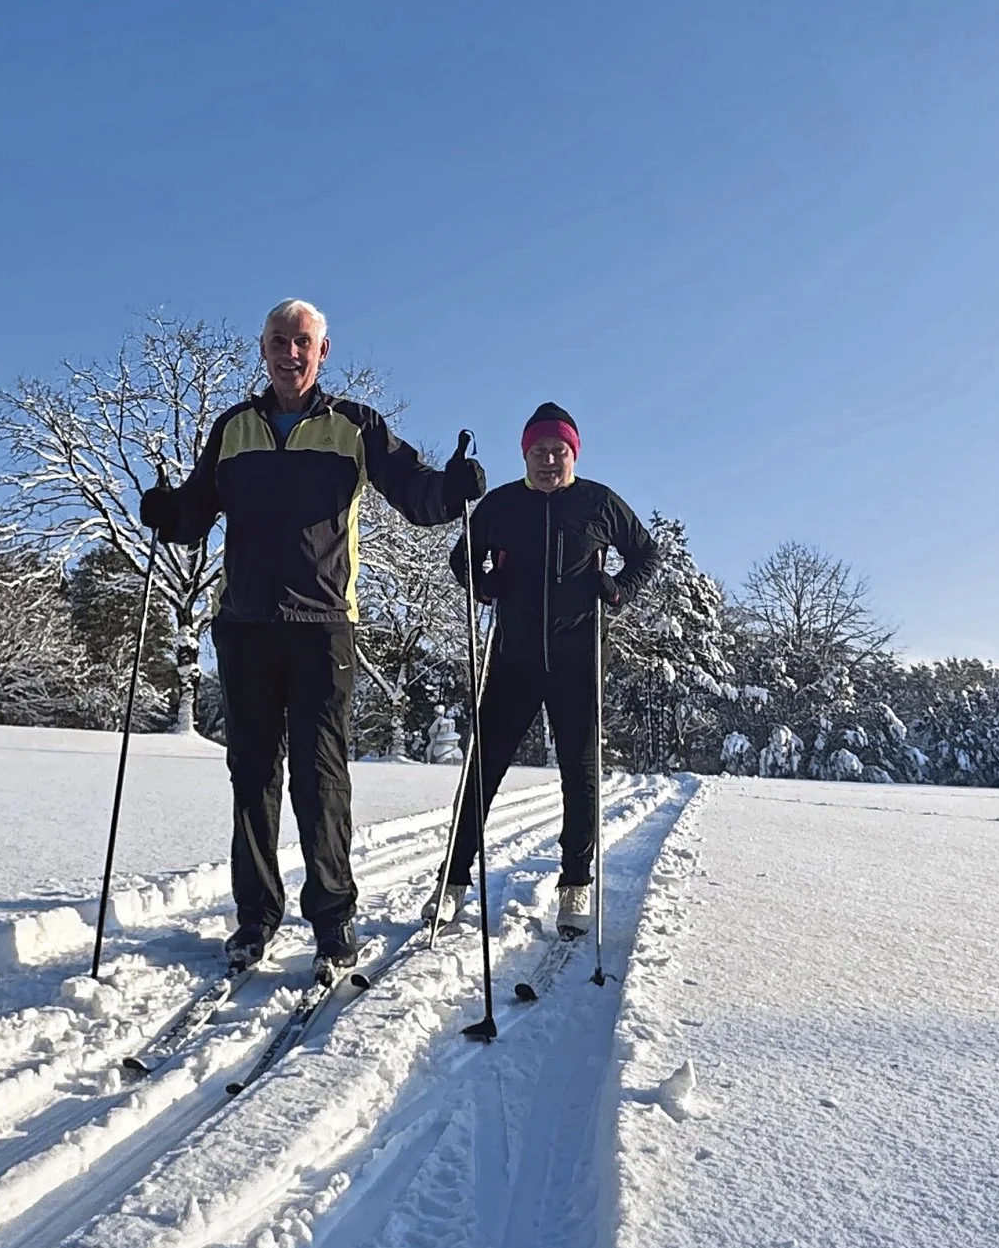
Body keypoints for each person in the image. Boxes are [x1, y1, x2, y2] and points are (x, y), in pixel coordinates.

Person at [141, 299, 483, 979]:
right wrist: (168, 512)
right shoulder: (233, 428)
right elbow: (196, 509)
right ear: (262, 349)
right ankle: (255, 917)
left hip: (323, 627)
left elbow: (412, 491)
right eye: (278, 340)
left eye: (302, 342)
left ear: (323, 351)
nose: (289, 352)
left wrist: (450, 491)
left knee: (320, 776)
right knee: (251, 776)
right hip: (244, 627)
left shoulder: (354, 425)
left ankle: (332, 918)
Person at [432, 402, 656, 937]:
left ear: (573, 453)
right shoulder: (502, 504)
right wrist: (485, 586)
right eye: (538, 451)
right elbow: (463, 558)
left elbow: (647, 555)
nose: (549, 460)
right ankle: (452, 881)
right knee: (482, 771)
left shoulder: (599, 502)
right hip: (514, 658)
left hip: (579, 658)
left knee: (579, 775)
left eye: (558, 451)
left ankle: (575, 883)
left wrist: (618, 590)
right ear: (525, 455)